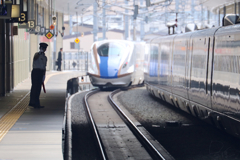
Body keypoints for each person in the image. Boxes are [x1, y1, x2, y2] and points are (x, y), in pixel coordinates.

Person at [29, 43, 48, 108]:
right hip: (36, 72)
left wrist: (44, 75)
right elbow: (36, 57)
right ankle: (32, 102)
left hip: (41, 73)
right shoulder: (36, 54)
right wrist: (40, 52)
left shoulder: (45, 57)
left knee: (38, 88)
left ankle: (36, 103)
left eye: (44, 48)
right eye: (43, 48)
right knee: (34, 87)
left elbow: (44, 66)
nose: (44, 49)